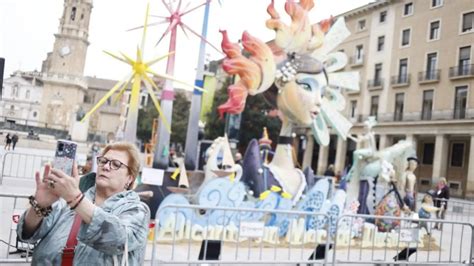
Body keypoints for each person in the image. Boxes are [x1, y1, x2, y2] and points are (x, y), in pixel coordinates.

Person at [17, 142, 150, 265]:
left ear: (130, 178)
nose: (106, 167)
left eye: (116, 164)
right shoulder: (68, 196)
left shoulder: (137, 210)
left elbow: (119, 240)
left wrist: (76, 199)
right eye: (103, 161)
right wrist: (39, 206)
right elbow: (28, 234)